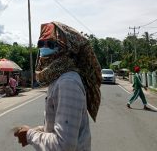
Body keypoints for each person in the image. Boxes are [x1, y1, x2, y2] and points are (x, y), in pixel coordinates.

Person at [14, 22, 102, 151]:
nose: (44, 48)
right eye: (40, 44)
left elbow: (64, 145)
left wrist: (29, 135)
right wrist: (35, 130)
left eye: (50, 44)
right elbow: (56, 128)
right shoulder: (58, 78)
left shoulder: (68, 82)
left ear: (64, 48)